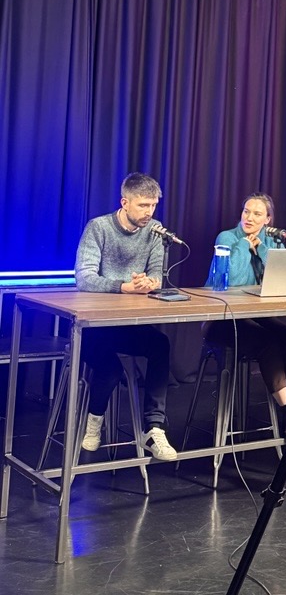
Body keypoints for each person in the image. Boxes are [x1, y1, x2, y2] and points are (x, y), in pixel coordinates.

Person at [203, 193, 286, 437]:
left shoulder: (272, 240)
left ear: (268, 219)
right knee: (268, 342)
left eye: (257, 214)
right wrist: (245, 247)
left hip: (254, 315)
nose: (249, 218)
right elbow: (232, 282)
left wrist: (262, 250)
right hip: (221, 319)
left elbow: (282, 280)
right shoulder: (227, 238)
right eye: (246, 211)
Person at [74, 172, 177, 460]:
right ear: (125, 202)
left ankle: (154, 429)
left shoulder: (155, 230)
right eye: (143, 205)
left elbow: (157, 275)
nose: (149, 212)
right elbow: (84, 278)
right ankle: (94, 422)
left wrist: (150, 284)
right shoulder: (99, 228)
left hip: (128, 324)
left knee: (160, 345)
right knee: (110, 368)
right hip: (93, 325)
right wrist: (123, 287)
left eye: (153, 205)